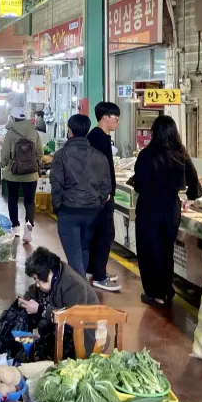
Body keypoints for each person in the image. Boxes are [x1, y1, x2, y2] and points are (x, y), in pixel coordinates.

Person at [132, 115, 202, 308]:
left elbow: (140, 185)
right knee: (166, 251)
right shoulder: (181, 153)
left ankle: (156, 294)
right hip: (172, 207)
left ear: (154, 132)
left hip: (150, 208)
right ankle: (166, 291)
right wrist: (190, 198)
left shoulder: (147, 155)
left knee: (150, 251)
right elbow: (193, 179)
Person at [50, 114, 111, 277]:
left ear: (69, 131)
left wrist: (57, 206)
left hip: (69, 211)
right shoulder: (99, 156)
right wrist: (99, 203)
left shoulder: (61, 155)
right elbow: (107, 186)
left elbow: (56, 184)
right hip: (92, 212)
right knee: (84, 248)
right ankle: (82, 285)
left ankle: (80, 290)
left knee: (74, 253)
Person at [19, 247, 99, 359]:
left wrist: (40, 309)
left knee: (43, 322)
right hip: (67, 327)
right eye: (35, 280)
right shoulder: (53, 275)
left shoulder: (74, 285)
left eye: (38, 279)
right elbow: (34, 290)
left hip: (83, 337)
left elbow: (71, 319)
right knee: (36, 322)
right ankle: (37, 352)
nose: (37, 284)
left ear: (48, 272)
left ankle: (51, 355)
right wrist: (25, 299)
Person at [87, 102, 122, 292]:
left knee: (100, 234)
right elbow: (99, 170)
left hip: (101, 195)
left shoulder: (100, 136)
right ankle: (99, 276)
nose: (117, 121)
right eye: (115, 117)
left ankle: (95, 270)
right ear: (105, 117)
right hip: (102, 197)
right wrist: (106, 193)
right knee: (105, 234)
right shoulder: (98, 138)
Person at [1, 107, 43, 243]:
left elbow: (5, 154)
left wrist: (3, 164)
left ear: (12, 118)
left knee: (12, 200)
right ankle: (29, 223)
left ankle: (16, 226)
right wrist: (35, 162)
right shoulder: (33, 131)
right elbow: (40, 152)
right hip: (31, 174)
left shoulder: (11, 132)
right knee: (29, 201)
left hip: (13, 173)